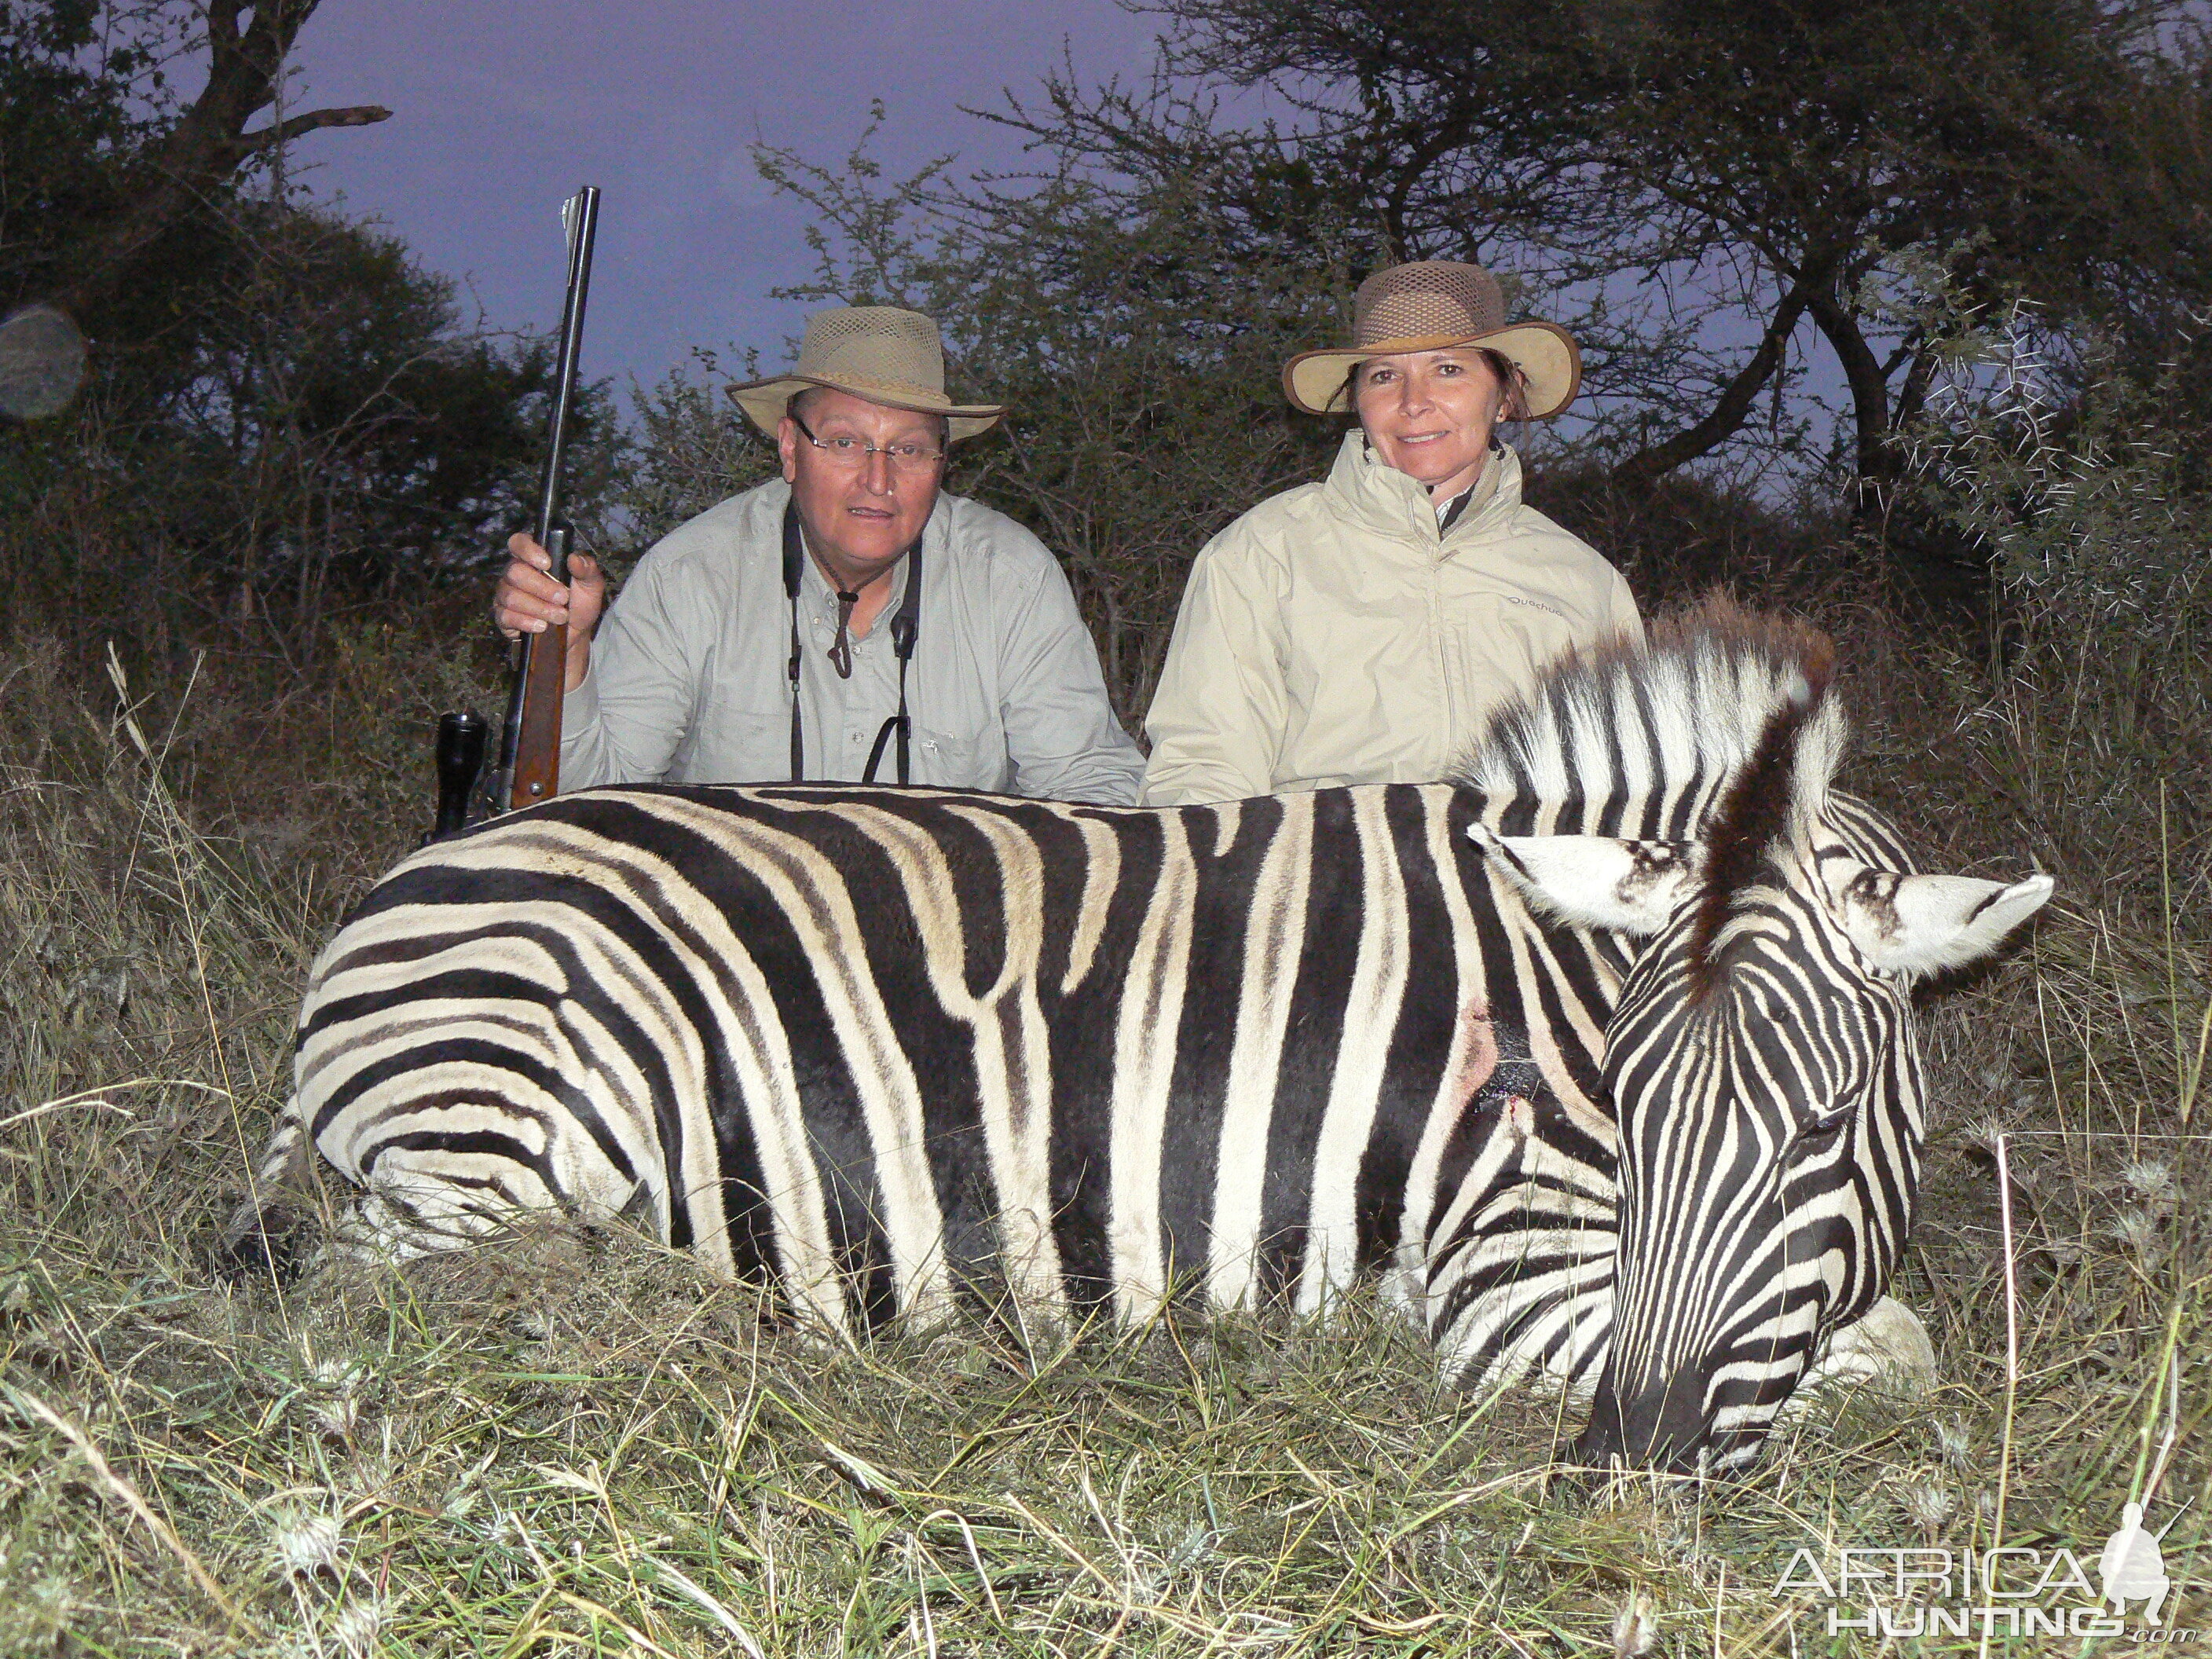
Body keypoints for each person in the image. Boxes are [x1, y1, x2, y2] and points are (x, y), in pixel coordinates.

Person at [495, 306, 1144, 805]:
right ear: (789, 447)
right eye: (844, 442)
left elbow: (1091, 782)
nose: (879, 480)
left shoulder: (1011, 577)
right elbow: (591, 805)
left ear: (944, 462)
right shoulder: (691, 575)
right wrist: (567, 655)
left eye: (910, 449)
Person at [1140, 261, 1643, 807]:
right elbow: (1200, 773)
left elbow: (1628, 785)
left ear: (1506, 397)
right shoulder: (1261, 552)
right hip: (1319, 879)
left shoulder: (1585, 581)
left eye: (1448, 369)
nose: (1413, 401)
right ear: (1358, 400)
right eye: (1384, 375)